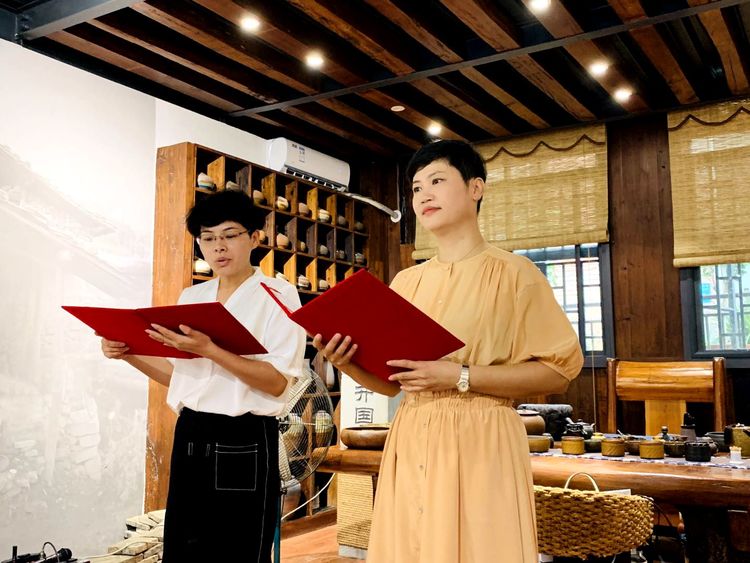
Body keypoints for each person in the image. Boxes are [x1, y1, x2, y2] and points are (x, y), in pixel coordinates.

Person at [313, 140, 583, 562]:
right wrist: (347, 363)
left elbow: (558, 372)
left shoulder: (516, 274)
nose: (424, 195)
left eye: (437, 181)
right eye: (416, 188)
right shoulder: (407, 282)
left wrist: (460, 376)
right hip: (412, 432)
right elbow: (392, 384)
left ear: (476, 188)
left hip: (482, 437)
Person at [100, 190, 305, 562]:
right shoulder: (192, 297)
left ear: (254, 238)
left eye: (230, 235)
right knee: (184, 547)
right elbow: (181, 378)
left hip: (243, 437)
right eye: (208, 239)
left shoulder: (279, 295)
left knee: (237, 549)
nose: (218, 247)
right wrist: (128, 353)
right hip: (191, 431)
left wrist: (210, 349)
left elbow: (277, 382)